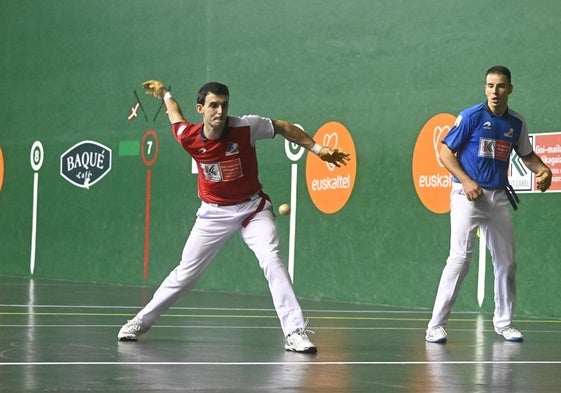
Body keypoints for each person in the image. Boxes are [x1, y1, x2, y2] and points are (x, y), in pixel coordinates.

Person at [117, 80, 350, 353]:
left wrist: (319, 150)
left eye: (224, 105)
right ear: (200, 109)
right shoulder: (188, 136)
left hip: (252, 209)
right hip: (213, 213)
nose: (220, 111)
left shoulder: (246, 126)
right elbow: (175, 115)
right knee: (185, 274)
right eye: (213, 105)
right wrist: (165, 94)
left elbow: (284, 127)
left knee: (272, 260)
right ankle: (140, 322)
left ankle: (295, 331)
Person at [425, 65, 552, 343]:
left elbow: (529, 157)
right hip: (466, 197)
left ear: (510, 89)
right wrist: (466, 181)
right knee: (459, 260)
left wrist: (545, 171)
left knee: (507, 262)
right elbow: (444, 153)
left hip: (498, 198)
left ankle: (504, 324)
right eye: (490, 86)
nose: (495, 91)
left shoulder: (516, 123)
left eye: (501, 86)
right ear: (485, 88)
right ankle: (435, 325)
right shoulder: (471, 117)